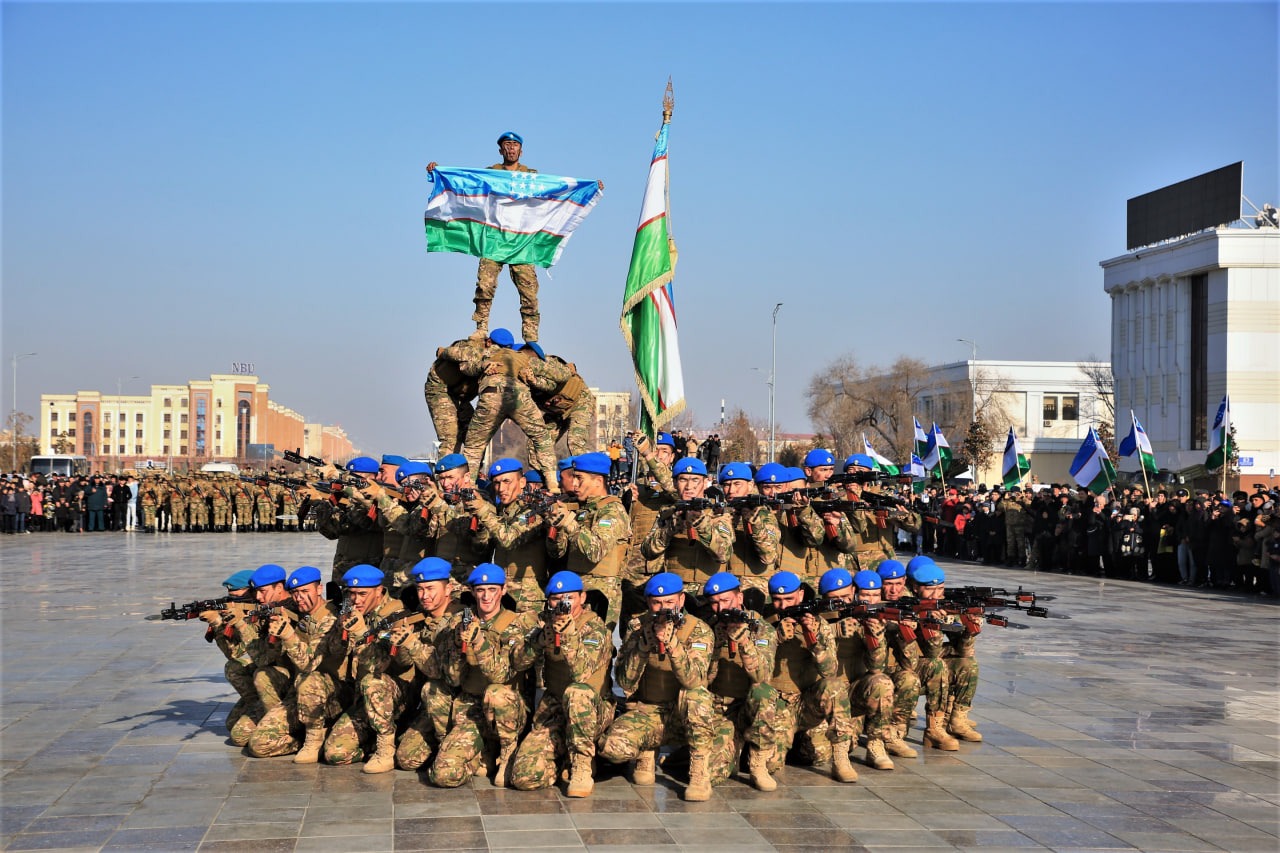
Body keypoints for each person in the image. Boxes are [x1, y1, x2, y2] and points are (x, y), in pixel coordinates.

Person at [599, 572, 717, 801]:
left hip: (684, 714)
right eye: (657, 603)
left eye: (669, 603)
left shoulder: (699, 630)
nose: (662, 609)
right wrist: (642, 648)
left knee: (696, 696)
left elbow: (693, 680)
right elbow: (623, 682)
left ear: (681, 601)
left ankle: (699, 773)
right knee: (612, 747)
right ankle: (647, 750)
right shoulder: (637, 626)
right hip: (649, 710)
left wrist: (673, 645)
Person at [428, 132, 543, 343]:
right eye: (507, 145)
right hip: (494, 238)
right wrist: (439, 172)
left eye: (515, 145)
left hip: (521, 241)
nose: (511, 148)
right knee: (485, 285)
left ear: (521, 150)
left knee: (529, 292)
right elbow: (466, 183)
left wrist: (590, 189)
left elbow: (555, 194)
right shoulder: (490, 174)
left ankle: (531, 336)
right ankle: (481, 327)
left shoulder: (532, 176)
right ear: (501, 150)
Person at [508, 571, 614, 796]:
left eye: (569, 598)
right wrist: (537, 642)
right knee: (524, 777)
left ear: (582, 598)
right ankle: (563, 758)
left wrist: (569, 636)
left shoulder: (595, 628)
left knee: (577, 692)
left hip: (590, 709)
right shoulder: (543, 623)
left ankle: (582, 766)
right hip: (555, 707)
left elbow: (581, 674)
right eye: (556, 599)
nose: (562, 604)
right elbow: (517, 663)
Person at [428, 564, 531, 788]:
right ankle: (479, 752)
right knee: (443, 776)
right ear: (473, 592)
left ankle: (507, 754)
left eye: (492, 590)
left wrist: (478, 642)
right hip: (472, 707)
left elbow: (501, 675)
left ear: (503, 591)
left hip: (507, 709)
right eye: (481, 590)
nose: (486, 597)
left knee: (496, 692)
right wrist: (458, 645)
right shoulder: (458, 623)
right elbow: (452, 678)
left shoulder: (516, 625)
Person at [761, 570, 859, 783]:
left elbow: (829, 670)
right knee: (770, 764)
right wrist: (774, 638)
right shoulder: (764, 624)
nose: (784, 605)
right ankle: (785, 743)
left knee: (833, 686)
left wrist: (813, 639)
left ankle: (841, 759)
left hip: (806, 703)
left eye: (789, 599)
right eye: (777, 600)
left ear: (801, 595)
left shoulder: (818, 624)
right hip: (777, 704)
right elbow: (758, 672)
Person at [701, 572, 779, 791]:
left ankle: (758, 763)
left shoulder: (761, 628)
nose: (720, 608)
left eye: (725, 601)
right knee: (712, 774)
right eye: (714, 603)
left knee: (763, 692)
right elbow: (703, 678)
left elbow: (761, 676)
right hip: (719, 708)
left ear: (739, 598)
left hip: (750, 706)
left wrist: (744, 641)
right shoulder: (708, 628)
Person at [389, 557, 466, 772]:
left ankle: (450, 746)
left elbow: (444, 674)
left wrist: (412, 643)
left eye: (430, 589)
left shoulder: (458, 622)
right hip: (430, 705)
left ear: (448, 589)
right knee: (406, 759)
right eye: (420, 589)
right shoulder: (418, 619)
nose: (424, 596)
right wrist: (400, 643)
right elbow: (404, 664)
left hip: (458, 701)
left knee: (433, 689)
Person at [457, 329, 558, 486]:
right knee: (541, 437)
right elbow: (556, 374)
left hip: (491, 395)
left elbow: (464, 367)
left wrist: (483, 365)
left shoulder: (487, 352)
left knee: (473, 446)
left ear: (490, 341)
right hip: (519, 396)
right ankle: (552, 483)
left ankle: (468, 488)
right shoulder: (521, 358)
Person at [818, 568, 896, 771]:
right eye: (835, 599)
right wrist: (831, 632)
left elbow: (877, 666)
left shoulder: (862, 616)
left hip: (853, 691)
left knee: (881, 682)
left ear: (853, 591)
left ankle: (876, 744)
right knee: (815, 754)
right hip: (826, 697)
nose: (842, 603)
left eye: (846, 596)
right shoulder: (818, 620)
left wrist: (876, 639)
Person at [546, 452, 632, 631]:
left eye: (579, 478)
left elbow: (595, 550)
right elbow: (557, 553)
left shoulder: (612, 511)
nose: (574, 484)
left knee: (595, 649)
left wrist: (569, 522)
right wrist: (556, 527)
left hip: (600, 593)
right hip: (574, 589)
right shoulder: (581, 509)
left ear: (598, 481)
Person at [641, 457, 735, 606]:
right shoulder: (668, 513)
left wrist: (701, 523)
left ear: (705, 483)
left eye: (695, 480)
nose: (689, 486)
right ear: (674, 483)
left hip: (710, 593)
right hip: (674, 593)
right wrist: (670, 529)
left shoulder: (718, 513)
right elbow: (647, 551)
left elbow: (723, 554)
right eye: (683, 480)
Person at [466, 458, 551, 611]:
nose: (501, 488)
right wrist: (480, 529)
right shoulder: (499, 511)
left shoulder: (533, 510)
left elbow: (509, 539)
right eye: (497, 483)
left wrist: (483, 511)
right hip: (501, 593)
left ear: (522, 482)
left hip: (527, 597)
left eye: (507, 482)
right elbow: (481, 549)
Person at [719, 462, 781, 601]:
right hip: (724, 587)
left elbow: (769, 556)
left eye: (737, 484)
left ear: (751, 485)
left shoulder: (763, 513)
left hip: (755, 587)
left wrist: (753, 521)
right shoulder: (719, 513)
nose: (731, 490)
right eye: (727, 485)